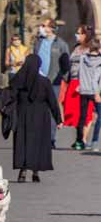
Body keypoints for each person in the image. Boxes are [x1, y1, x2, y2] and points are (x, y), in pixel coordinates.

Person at [10, 55, 63, 182]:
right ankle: (35, 172)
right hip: (41, 116)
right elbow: (52, 101)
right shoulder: (44, 82)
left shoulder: (18, 80)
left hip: (22, 115)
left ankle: (23, 171)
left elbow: (10, 97)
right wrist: (58, 119)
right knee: (38, 143)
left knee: (23, 142)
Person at [32, 18, 70, 147]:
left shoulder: (61, 44)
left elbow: (66, 62)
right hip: (38, 80)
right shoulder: (38, 42)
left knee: (51, 109)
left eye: (44, 25)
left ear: (51, 28)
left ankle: (51, 139)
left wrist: (64, 78)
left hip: (54, 81)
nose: (41, 27)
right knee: (38, 109)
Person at [64, 25, 95, 150]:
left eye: (79, 33)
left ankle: (81, 139)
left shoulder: (91, 49)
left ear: (85, 35)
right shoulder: (76, 48)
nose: (76, 35)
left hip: (84, 82)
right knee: (74, 112)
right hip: (73, 81)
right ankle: (79, 137)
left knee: (85, 112)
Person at [76, 37, 101, 151]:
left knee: (82, 116)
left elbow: (79, 72)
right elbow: (95, 79)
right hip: (94, 91)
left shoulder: (82, 58)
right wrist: (96, 93)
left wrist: (80, 84)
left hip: (83, 89)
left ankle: (80, 141)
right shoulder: (99, 61)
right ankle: (94, 141)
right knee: (99, 117)